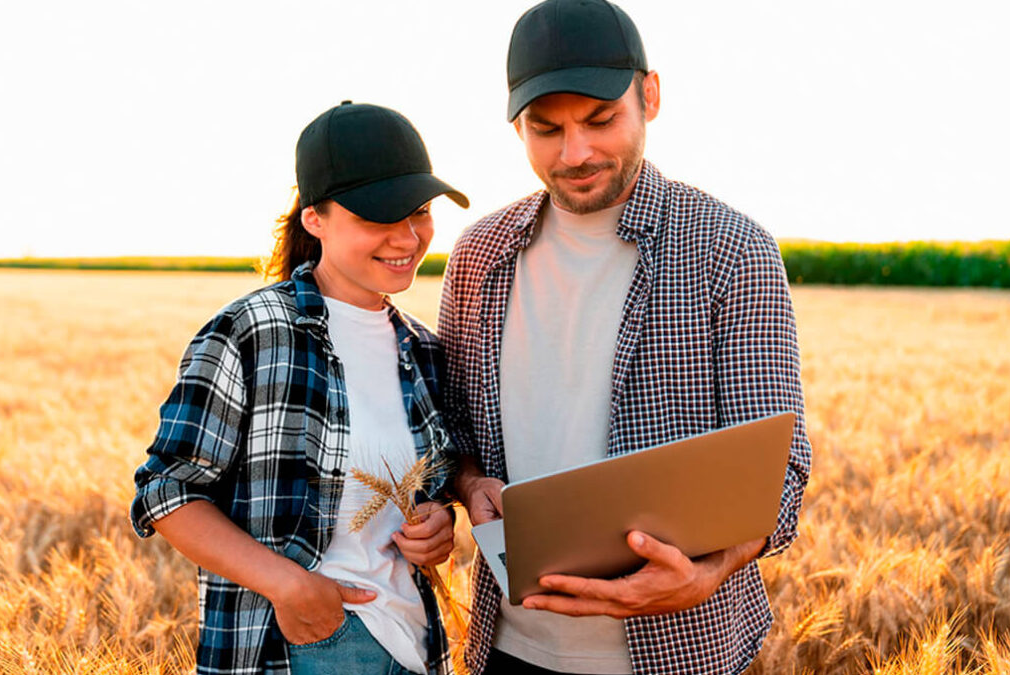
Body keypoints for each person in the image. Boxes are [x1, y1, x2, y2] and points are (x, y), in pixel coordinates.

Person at [439, 1, 812, 673]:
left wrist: (706, 573)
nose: (574, 152)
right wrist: (468, 484)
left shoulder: (733, 251)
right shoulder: (478, 255)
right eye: (544, 129)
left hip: (680, 651)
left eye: (601, 119)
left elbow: (781, 473)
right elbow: (455, 428)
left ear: (651, 96)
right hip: (510, 647)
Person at [131, 101, 469, 675]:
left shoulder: (424, 349)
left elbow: (420, 492)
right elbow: (167, 492)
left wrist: (438, 526)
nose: (409, 237)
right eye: (377, 217)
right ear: (315, 218)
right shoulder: (253, 332)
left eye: (419, 211)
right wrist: (290, 587)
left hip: (417, 646)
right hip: (302, 645)